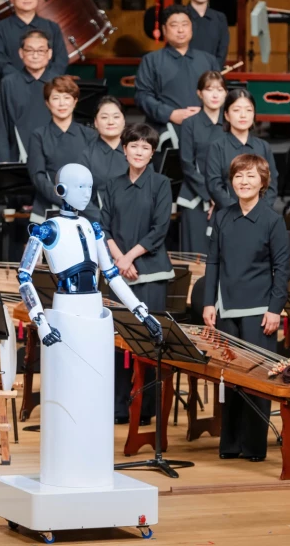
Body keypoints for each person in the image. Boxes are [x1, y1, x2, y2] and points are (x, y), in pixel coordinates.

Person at [202, 153, 289, 461]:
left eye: (251, 176)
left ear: (263, 181)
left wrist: (274, 309)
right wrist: (208, 303)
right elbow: (213, 261)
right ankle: (230, 444)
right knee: (231, 379)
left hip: (259, 311)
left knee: (257, 380)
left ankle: (254, 447)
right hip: (226, 310)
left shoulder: (272, 220)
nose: (244, 181)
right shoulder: (222, 216)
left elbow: (282, 268)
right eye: (239, 176)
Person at [102, 124, 174, 424]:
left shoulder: (161, 183)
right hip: (118, 274)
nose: (139, 151)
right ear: (124, 148)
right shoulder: (111, 184)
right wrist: (119, 260)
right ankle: (118, 408)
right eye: (134, 146)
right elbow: (102, 228)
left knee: (149, 342)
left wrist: (130, 256)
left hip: (151, 274)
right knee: (117, 344)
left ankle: (146, 410)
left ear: (152, 152)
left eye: (146, 147)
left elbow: (160, 229)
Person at [134, 5, 218, 149]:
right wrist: (170, 114)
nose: (180, 30)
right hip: (165, 129)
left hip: (204, 129)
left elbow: (220, 94)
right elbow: (142, 96)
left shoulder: (208, 60)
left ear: (191, 28)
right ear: (164, 29)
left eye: (185, 25)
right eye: (174, 25)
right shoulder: (152, 60)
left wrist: (205, 112)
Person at [26, 76, 97, 223]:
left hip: (85, 208)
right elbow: (38, 177)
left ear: (75, 101)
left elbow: (96, 174)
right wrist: (66, 198)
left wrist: (80, 201)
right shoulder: (39, 135)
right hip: (48, 208)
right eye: (56, 98)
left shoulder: (89, 135)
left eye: (66, 97)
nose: (62, 103)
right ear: (47, 103)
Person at [178, 72, 228, 254]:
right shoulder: (190, 123)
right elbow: (186, 164)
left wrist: (221, 196)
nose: (215, 95)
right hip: (196, 197)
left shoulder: (230, 124)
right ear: (199, 93)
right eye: (209, 89)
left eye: (220, 89)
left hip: (226, 197)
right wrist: (211, 195)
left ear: (225, 94)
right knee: (194, 256)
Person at [205, 88, 279, 210]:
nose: (243, 115)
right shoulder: (217, 146)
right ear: (227, 115)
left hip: (260, 216)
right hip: (227, 215)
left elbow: (272, 184)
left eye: (249, 110)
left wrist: (258, 210)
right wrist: (237, 211)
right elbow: (214, 186)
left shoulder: (263, 146)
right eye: (236, 110)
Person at [0, 0, 69, 84]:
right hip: (14, 87)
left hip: (47, 87)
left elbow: (61, 59)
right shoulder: (0, 28)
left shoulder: (52, 27)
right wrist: (19, 79)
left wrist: (47, 79)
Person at [0, 29, 58, 164]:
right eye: (29, 50)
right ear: (21, 53)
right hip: (17, 155)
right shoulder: (9, 83)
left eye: (41, 51)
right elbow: (2, 125)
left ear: (49, 53)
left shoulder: (58, 83)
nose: (35, 56)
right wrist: (3, 160)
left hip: (54, 156)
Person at [83, 96, 129, 220]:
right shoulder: (85, 155)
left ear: (124, 121)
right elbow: (80, 197)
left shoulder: (137, 151)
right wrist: (104, 221)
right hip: (98, 225)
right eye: (104, 117)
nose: (110, 122)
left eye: (116, 117)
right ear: (96, 123)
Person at [185, 0, 229, 64]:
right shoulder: (180, 16)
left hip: (212, 75)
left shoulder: (219, 18)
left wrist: (212, 74)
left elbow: (222, 52)